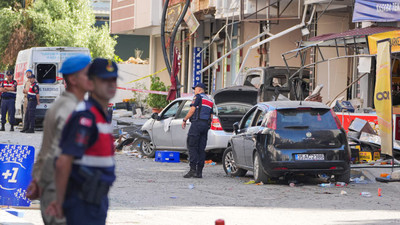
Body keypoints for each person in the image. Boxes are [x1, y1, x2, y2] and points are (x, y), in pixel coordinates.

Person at [46, 58, 118, 225]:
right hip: (82, 200)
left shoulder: (100, 114)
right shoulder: (86, 116)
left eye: (113, 79)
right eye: (103, 79)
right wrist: (59, 201)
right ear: (91, 83)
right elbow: (64, 161)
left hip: (96, 198)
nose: (110, 84)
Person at [26, 55, 92, 225]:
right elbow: (60, 155)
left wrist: (36, 180)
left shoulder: (59, 105)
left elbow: (44, 150)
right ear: (73, 79)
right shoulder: (72, 110)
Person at [181, 83, 214, 178]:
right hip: (205, 126)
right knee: (201, 149)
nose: (194, 91)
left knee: (192, 146)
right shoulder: (209, 100)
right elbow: (211, 116)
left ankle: (192, 170)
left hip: (197, 124)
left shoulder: (198, 97)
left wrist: (185, 119)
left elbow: (192, 110)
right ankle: (199, 172)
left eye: (195, 89)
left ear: (199, 89)